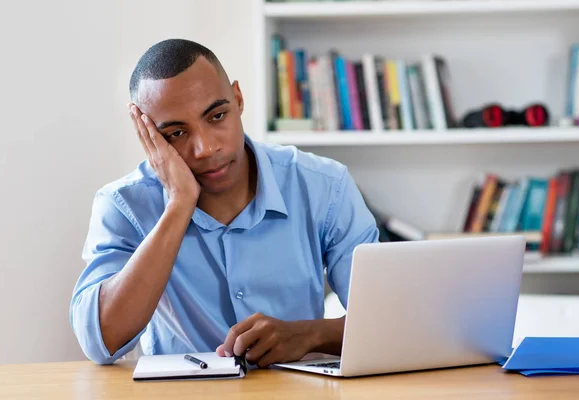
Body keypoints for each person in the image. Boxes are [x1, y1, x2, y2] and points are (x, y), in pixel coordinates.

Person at [70, 39, 379, 367]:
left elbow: (386, 319)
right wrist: (179, 204)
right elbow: (100, 341)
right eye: (176, 134)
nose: (204, 148)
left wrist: (309, 335)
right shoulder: (123, 205)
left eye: (216, 116)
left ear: (238, 98)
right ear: (149, 138)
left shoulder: (323, 186)